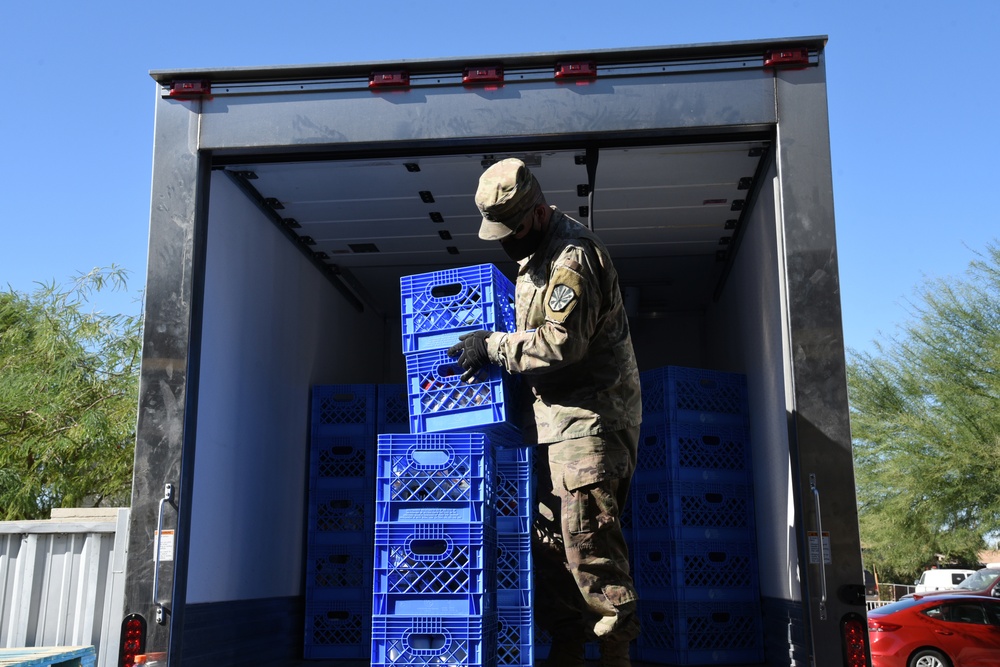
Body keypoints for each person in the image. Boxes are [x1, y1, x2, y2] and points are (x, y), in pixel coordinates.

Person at [448, 158, 642, 667]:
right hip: (554, 426)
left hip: (590, 425)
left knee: (590, 551)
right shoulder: (536, 251)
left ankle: (615, 656)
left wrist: (493, 347)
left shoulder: (573, 258)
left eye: (510, 228)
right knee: (552, 544)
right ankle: (568, 648)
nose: (505, 239)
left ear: (535, 212)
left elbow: (560, 345)